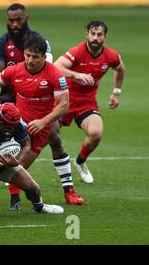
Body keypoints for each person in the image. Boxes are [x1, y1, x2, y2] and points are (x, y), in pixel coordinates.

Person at [0, 3, 83, 208]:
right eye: (27, 56)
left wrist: (43, 121)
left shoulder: (54, 74)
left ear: (44, 56)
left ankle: (61, 192)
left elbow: (64, 105)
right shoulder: (15, 68)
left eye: (35, 57)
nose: (30, 60)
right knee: (1, 153)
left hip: (42, 124)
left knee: (24, 162)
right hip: (17, 120)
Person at [49, 20, 125, 184]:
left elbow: (120, 69)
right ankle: (17, 170)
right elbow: (56, 67)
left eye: (99, 35)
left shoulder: (111, 56)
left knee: (96, 134)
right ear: (87, 34)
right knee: (43, 135)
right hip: (64, 100)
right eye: (93, 34)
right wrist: (77, 75)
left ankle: (80, 162)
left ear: (105, 37)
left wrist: (116, 93)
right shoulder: (77, 51)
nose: (95, 38)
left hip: (86, 102)